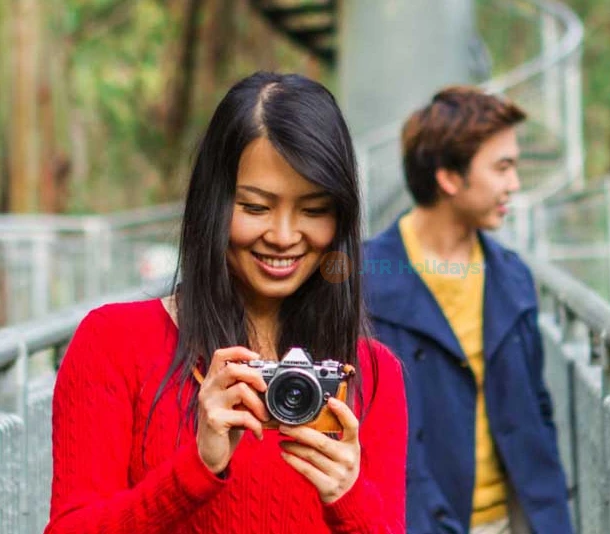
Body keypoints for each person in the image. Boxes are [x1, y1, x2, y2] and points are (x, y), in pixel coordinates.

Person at [45, 72, 407, 534]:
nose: (282, 236)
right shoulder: (114, 344)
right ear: (212, 203)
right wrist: (195, 469)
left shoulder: (372, 374)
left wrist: (349, 499)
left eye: (314, 210)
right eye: (255, 207)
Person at [362, 86, 573, 534]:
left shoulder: (513, 277)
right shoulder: (363, 282)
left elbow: (537, 410)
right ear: (449, 178)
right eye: (502, 168)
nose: (513, 184)